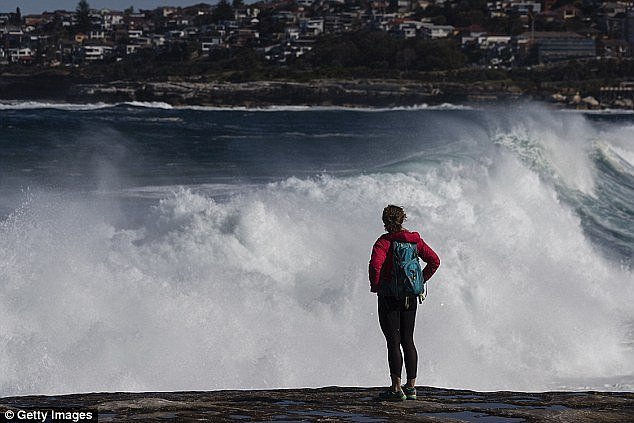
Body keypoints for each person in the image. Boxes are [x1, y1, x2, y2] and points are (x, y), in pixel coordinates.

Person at [369, 205, 440, 401]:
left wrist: (376, 286)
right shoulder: (415, 241)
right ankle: (411, 387)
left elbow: (376, 265)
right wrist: (420, 281)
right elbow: (434, 260)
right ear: (403, 220)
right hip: (410, 297)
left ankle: (395, 388)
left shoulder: (384, 242)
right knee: (408, 340)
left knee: (393, 341)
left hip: (389, 297)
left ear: (385, 222)